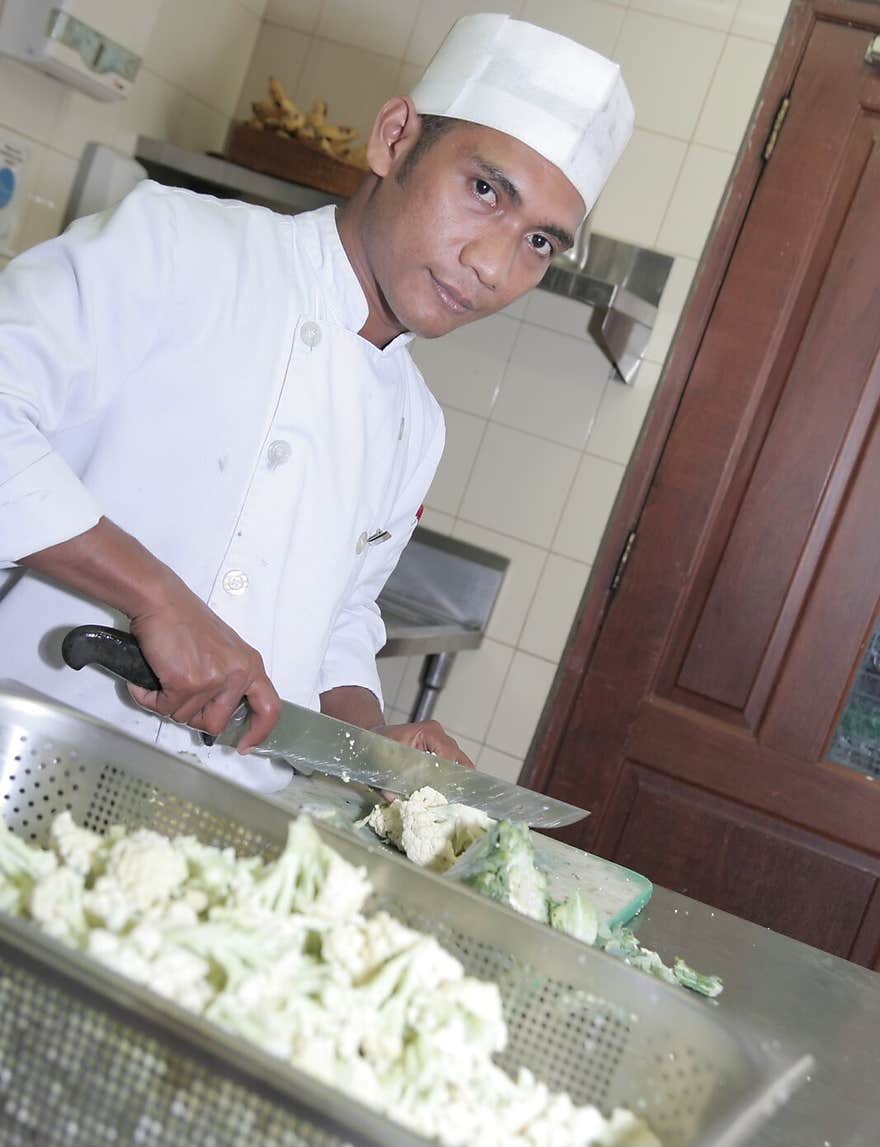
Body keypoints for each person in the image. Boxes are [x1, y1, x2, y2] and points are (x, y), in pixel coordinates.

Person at [0, 13, 633, 794]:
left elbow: (342, 619)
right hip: (27, 763)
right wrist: (155, 596)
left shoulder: (416, 427)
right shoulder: (176, 245)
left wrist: (373, 741)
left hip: (210, 832)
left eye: (541, 242)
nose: (493, 266)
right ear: (394, 139)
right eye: (483, 190)